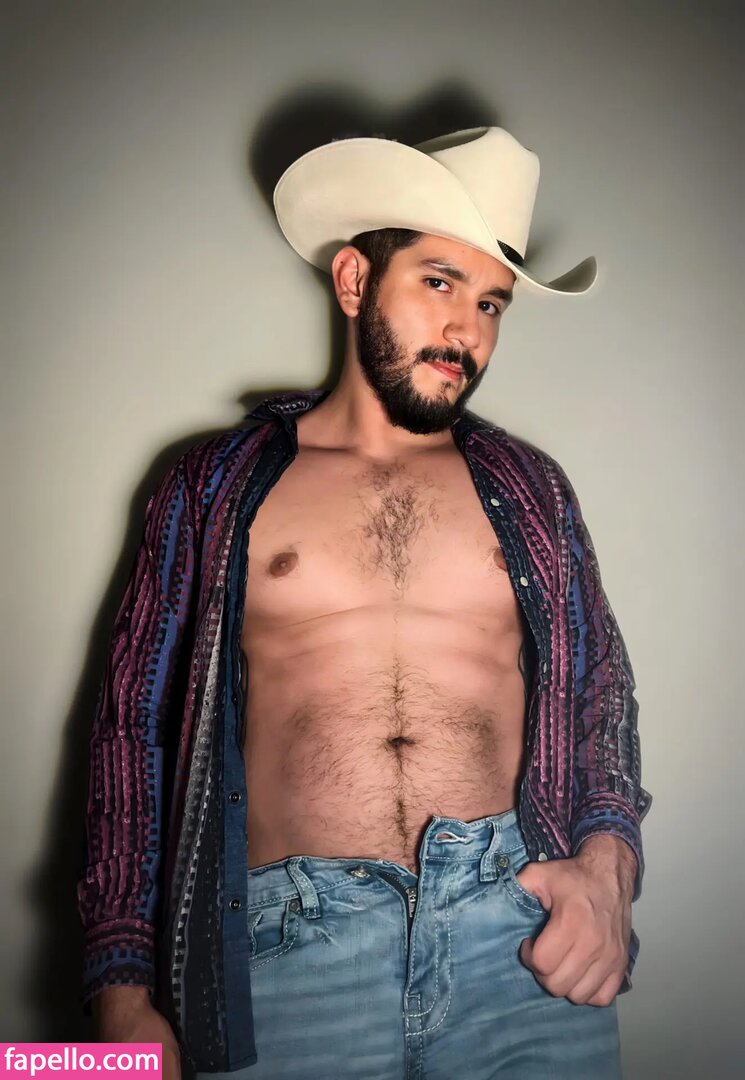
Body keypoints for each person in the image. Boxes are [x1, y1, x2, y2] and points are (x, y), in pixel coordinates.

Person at [77, 126, 652, 1079]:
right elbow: (131, 734)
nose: (467, 332)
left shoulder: (531, 488)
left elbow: (600, 693)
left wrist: (607, 869)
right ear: (353, 280)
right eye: (439, 282)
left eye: (491, 303)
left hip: (516, 939)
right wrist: (121, 993)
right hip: (287, 952)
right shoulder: (210, 485)